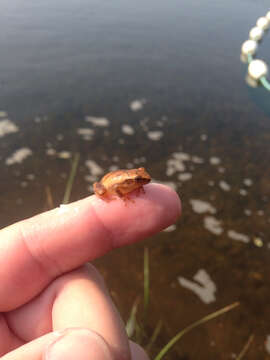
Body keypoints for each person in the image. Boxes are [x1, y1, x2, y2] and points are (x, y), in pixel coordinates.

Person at [0, 183, 181, 360]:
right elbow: (117, 189)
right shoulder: (125, 185)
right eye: (139, 180)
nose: (144, 181)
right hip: (111, 185)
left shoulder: (135, 183)